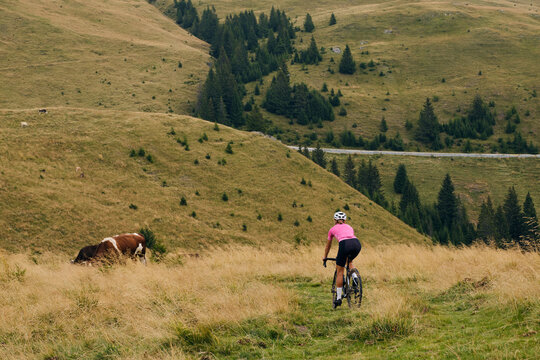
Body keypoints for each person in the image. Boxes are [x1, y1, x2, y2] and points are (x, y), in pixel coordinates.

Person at [323, 211, 362, 308]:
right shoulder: (349, 227)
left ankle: (339, 298)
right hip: (356, 244)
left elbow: (328, 245)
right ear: (344, 220)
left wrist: (325, 256)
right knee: (349, 261)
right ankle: (355, 277)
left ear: (334, 220)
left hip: (344, 244)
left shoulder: (332, 229)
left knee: (340, 270)